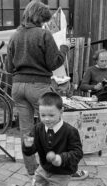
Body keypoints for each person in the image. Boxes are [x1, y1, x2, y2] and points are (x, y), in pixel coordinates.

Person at [5, 1, 68, 175]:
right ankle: (50, 166)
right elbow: (53, 62)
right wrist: (63, 48)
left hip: (17, 87)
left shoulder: (14, 36)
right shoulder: (44, 35)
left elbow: (8, 68)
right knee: (49, 127)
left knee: (26, 130)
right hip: (38, 86)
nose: (44, 23)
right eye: (43, 19)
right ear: (39, 17)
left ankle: (32, 169)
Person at [22, 92, 83, 186]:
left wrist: (61, 158)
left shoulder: (70, 131)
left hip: (62, 173)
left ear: (61, 112)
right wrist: (27, 146)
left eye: (51, 115)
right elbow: (30, 151)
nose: (47, 119)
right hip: (44, 169)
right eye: (43, 115)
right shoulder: (38, 128)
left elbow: (77, 153)